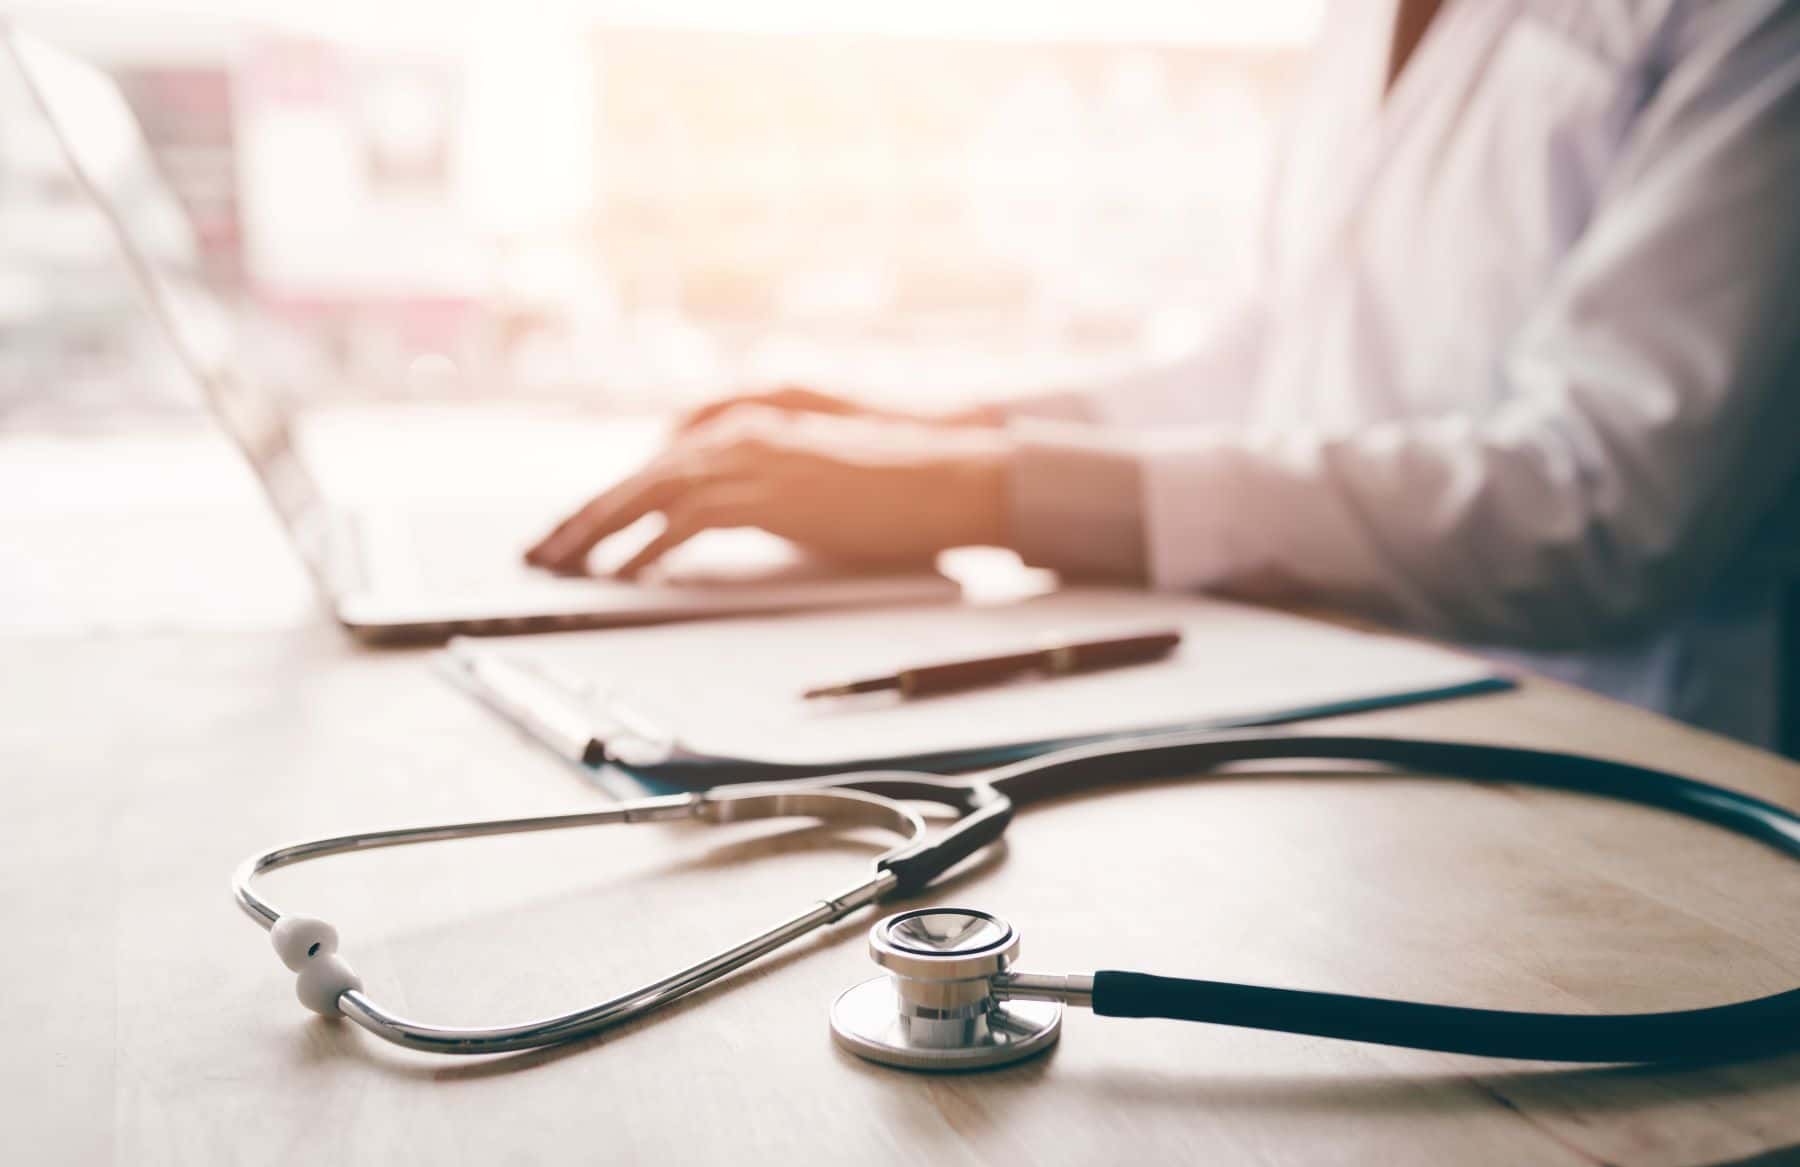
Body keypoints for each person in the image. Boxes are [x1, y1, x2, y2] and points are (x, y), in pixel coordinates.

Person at [528, 1, 1800, 747]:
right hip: (1331, 735)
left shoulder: (1753, 28)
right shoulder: (1368, 22)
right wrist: (932, 435)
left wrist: (981, 492)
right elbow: (1275, 361)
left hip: (1613, 769)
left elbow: (1599, 506)